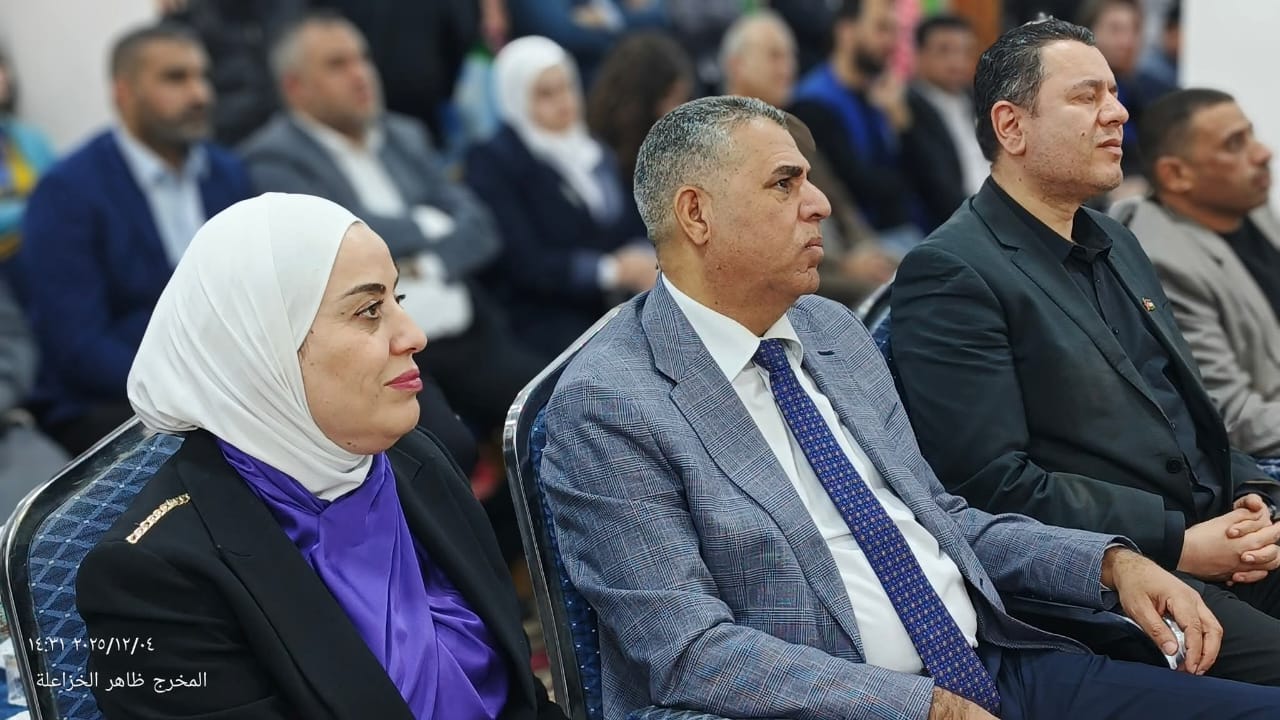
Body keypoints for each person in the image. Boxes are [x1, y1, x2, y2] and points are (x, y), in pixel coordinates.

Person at [539, 93, 1280, 720]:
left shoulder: (829, 330)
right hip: (858, 705)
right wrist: (916, 706)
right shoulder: (610, 404)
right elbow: (692, 652)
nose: (820, 203)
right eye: (785, 183)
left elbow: (943, 521)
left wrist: (1112, 563)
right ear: (696, 215)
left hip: (995, 664)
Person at [891, 19, 1280, 687]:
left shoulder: (1113, 238)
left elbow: (1184, 410)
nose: (1118, 112)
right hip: (1116, 580)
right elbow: (986, 484)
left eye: (1115, 93)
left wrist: (1252, 497)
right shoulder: (951, 271)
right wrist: (1179, 543)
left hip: (1218, 536)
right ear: (1011, 127)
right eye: (1087, 96)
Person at [77, 193, 567, 720]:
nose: (414, 335)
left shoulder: (415, 459)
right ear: (264, 348)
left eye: (398, 298)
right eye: (370, 311)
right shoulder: (155, 579)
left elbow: (522, 701)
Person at [240, 11, 545, 449]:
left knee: (553, 404)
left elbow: (480, 226)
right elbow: (344, 242)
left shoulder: (404, 134)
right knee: (447, 448)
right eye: (337, 64)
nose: (360, 73)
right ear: (295, 87)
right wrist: (428, 222)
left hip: (466, 327)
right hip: (381, 350)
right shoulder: (272, 159)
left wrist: (430, 264)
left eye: (362, 58)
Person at [14, 23, 252, 456]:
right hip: (113, 402)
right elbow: (78, 346)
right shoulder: (67, 192)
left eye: (203, 76)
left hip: (228, 384)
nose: (200, 94)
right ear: (124, 92)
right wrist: (193, 392)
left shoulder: (226, 173)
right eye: (175, 78)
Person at [1114, 89, 1280, 462]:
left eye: (1251, 135)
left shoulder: (1249, 206)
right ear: (1176, 175)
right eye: (1234, 144)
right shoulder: (1160, 263)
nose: (1262, 153)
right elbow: (1232, 416)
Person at [465, 35, 654, 359]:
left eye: (566, 87)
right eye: (545, 94)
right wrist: (610, 270)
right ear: (516, 97)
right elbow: (523, 262)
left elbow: (630, 223)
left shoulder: (592, 148)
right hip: (542, 315)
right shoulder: (495, 161)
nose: (563, 102)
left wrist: (643, 259)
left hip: (614, 302)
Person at [0, 48, 57, 265]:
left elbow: (60, 194)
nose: (3, 75)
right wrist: (34, 207)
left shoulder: (28, 136)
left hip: (39, 252)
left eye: (2, 67)